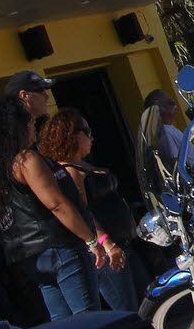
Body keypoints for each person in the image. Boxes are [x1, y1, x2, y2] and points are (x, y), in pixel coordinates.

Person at [0, 96, 117, 320]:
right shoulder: (26, 159)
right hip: (60, 246)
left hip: (31, 257)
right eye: (29, 123)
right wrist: (90, 240)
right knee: (88, 317)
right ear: (16, 128)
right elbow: (56, 203)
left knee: (64, 324)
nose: (33, 128)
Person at [38, 109, 144, 312]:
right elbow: (83, 212)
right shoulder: (69, 171)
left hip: (123, 243)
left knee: (145, 301)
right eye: (86, 131)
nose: (91, 137)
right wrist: (106, 243)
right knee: (127, 310)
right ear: (71, 135)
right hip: (107, 249)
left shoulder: (84, 165)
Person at [142, 89, 194, 169]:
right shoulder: (166, 132)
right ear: (159, 108)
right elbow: (175, 164)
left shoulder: (163, 132)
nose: (175, 106)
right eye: (170, 103)